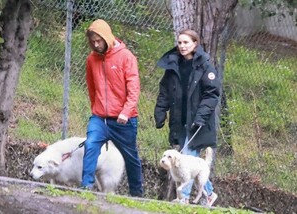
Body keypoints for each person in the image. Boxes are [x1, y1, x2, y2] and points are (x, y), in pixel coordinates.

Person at [154, 29, 220, 206]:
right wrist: (160, 112)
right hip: (179, 121)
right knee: (190, 162)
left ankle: (182, 198)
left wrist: (200, 118)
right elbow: (165, 92)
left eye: (186, 42)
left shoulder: (205, 66)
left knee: (184, 161)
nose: (182, 46)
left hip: (197, 123)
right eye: (180, 42)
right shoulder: (173, 66)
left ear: (195, 44)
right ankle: (209, 194)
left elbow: (212, 94)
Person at [81, 19, 143, 197]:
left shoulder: (126, 57)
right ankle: (86, 188)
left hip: (124, 119)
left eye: (98, 40)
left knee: (131, 157)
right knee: (90, 144)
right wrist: (96, 109)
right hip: (100, 118)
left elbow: (134, 89)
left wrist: (125, 111)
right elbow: (91, 88)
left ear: (107, 37)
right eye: (92, 41)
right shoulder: (91, 60)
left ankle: (137, 195)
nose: (95, 44)